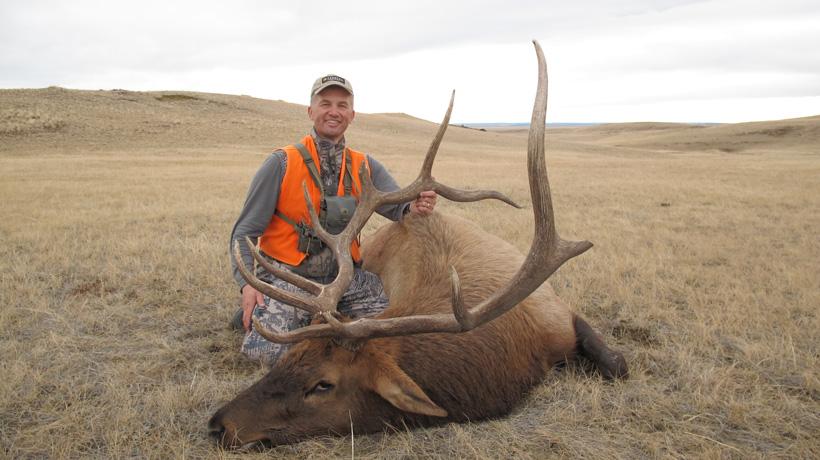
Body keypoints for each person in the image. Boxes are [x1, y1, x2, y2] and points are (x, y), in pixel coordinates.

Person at [229, 74, 437, 363]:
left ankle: (315, 319)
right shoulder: (281, 163)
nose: (334, 111)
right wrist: (248, 284)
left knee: (387, 339)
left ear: (352, 115)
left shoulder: (365, 165)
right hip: (291, 278)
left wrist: (414, 206)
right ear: (310, 111)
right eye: (325, 103)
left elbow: (397, 206)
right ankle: (263, 313)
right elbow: (245, 232)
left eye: (342, 105)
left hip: (346, 279)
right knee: (264, 356)